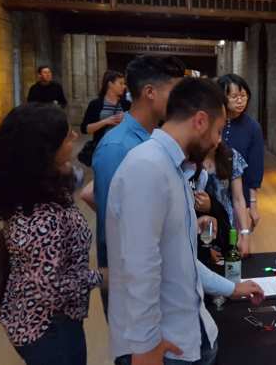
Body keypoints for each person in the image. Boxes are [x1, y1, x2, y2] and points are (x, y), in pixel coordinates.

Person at [106, 77, 264, 365]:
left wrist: (232, 287)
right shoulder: (147, 167)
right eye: (218, 130)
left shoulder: (176, 168)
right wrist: (145, 347)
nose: (218, 140)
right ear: (200, 121)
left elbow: (180, 260)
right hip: (162, 347)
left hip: (187, 332)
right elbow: (140, 268)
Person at [0, 104, 101, 365]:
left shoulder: (35, 185)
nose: (75, 137)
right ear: (45, 151)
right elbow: (48, 288)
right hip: (48, 326)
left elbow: (77, 180)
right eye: (67, 135)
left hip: (48, 319)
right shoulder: (40, 217)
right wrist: (100, 277)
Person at [92, 55, 186, 317]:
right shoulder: (118, 147)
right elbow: (118, 227)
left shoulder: (154, 138)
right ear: (150, 92)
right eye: (175, 92)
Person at [217, 74, 264, 230]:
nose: (240, 101)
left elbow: (254, 169)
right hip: (213, 193)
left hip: (240, 195)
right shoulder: (213, 122)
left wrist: (253, 204)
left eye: (243, 96)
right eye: (234, 96)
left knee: (236, 241)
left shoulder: (253, 128)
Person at [199, 141, 252, 256]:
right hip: (202, 232)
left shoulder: (231, 157)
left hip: (226, 229)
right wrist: (204, 249)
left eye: (220, 132)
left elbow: (238, 199)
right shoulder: (191, 160)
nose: (218, 139)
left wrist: (245, 234)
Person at [80, 70, 130, 147]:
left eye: (124, 84)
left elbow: (135, 125)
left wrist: (126, 117)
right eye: (121, 83)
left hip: (123, 147)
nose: (124, 86)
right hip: (101, 146)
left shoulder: (126, 104)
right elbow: (84, 129)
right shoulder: (95, 104)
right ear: (110, 84)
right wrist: (105, 121)